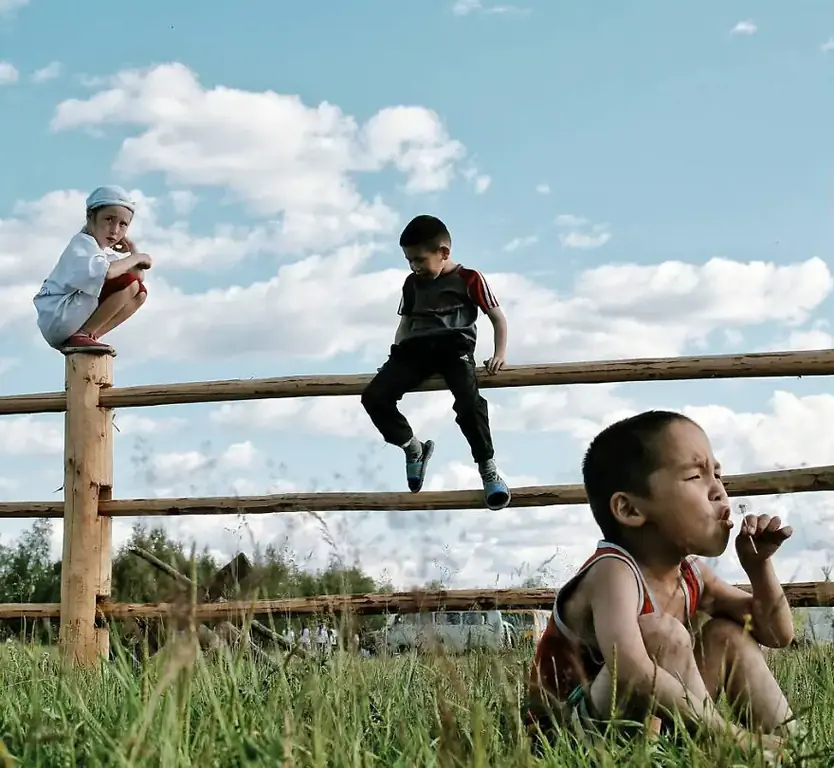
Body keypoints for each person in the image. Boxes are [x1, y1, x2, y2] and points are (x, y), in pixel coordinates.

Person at [527, 410, 800, 759]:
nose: (719, 491)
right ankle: (725, 747)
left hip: (655, 720)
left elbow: (778, 635)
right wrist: (733, 736)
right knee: (660, 635)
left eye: (718, 474)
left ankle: (794, 748)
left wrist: (759, 567)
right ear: (629, 509)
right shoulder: (613, 572)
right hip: (568, 736)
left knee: (726, 635)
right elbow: (630, 674)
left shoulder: (692, 574)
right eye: (695, 476)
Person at [361, 214, 510, 510]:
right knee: (374, 397)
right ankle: (412, 447)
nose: (415, 267)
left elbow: (498, 318)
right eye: (409, 261)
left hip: (454, 349)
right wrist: (393, 357)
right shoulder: (411, 284)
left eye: (419, 260)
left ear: (443, 253)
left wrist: (499, 355)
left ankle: (488, 469)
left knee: (469, 404)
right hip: (415, 350)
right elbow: (405, 325)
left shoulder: (470, 279)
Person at [33, 184, 152, 356]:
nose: (115, 230)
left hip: (67, 319)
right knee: (128, 284)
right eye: (109, 219)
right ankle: (82, 335)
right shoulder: (82, 244)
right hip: (59, 316)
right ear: (90, 216)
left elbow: (139, 277)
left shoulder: (99, 252)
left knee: (139, 292)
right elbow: (109, 273)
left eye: (123, 224)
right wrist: (137, 257)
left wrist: (133, 249)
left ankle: (89, 336)